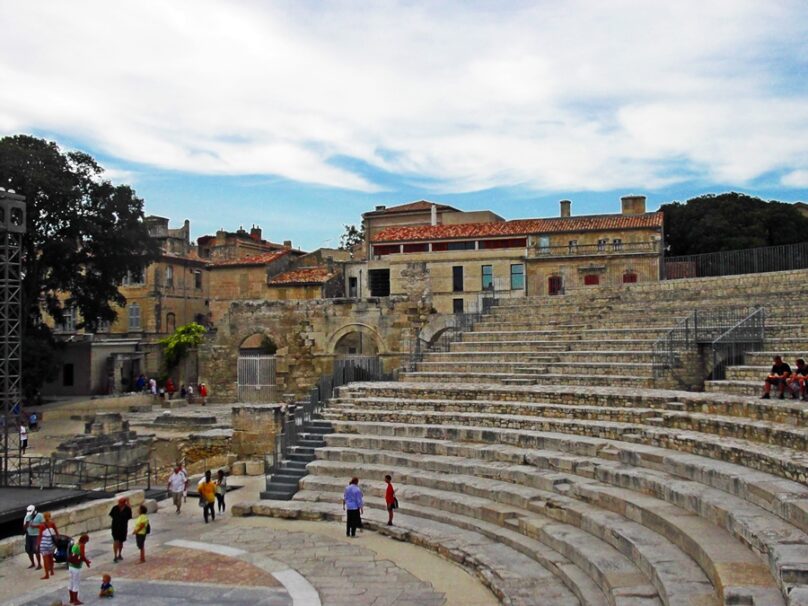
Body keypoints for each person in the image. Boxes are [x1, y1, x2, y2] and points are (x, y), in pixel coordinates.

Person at [66, 533, 90, 605]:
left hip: (70, 566)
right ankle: (75, 600)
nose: (87, 542)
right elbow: (82, 556)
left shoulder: (76, 544)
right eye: (87, 540)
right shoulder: (82, 545)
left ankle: (71, 599)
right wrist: (87, 562)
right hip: (76, 567)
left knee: (71, 582)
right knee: (76, 583)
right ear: (85, 540)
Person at [37, 511, 60, 579]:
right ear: (50, 516)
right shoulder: (52, 523)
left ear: (44, 517)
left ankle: (47, 574)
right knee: (51, 558)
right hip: (51, 543)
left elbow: (40, 536)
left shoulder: (42, 525)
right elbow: (57, 533)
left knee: (45, 560)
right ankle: (52, 571)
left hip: (44, 544)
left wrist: (38, 545)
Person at [109, 497, 132, 562]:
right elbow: (112, 515)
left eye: (120, 503)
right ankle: (115, 555)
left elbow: (129, 516)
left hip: (123, 527)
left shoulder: (127, 509)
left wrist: (128, 501)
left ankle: (120, 554)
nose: (119, 504)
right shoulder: (115, 508)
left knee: (121, 541)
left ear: (124, 503)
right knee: (116, 540)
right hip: (115, 527)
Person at [23, 504, 44, 570]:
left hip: (36, 535)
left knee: (36, 550)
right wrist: (26, 524)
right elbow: (24, 527)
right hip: (29, 535)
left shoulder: (40, 516)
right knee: (28, 550)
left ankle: (39, 564)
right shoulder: (27, 516)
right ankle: (32, 563)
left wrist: (35, 526)